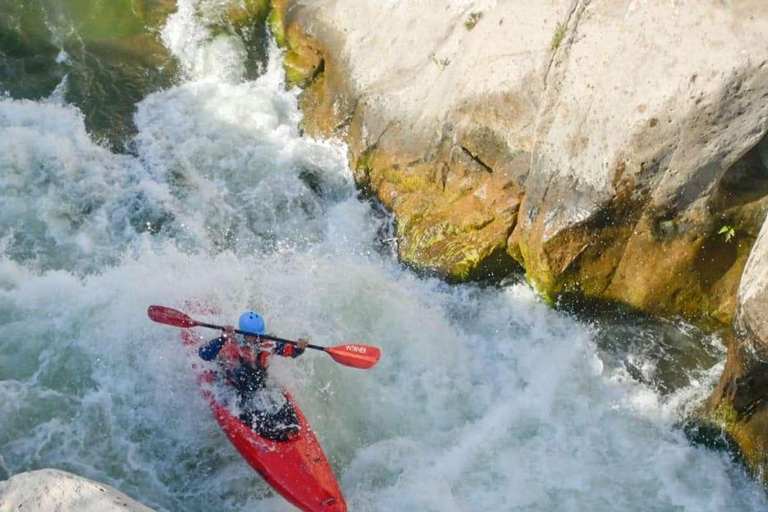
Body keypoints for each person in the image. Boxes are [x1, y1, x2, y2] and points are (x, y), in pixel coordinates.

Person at [198, 311, 309, 441]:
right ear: (243, 334)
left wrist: (298, 349)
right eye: (253, 336)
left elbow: (289, 351)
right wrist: (222, 338)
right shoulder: (230, 343)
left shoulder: (266, 342)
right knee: (257, 420)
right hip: (233, 389)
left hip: (259, 387)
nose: (257, 339)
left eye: (259, 335)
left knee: (288, 415)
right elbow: (204, 355)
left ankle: (285, 432)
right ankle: (268, 435)